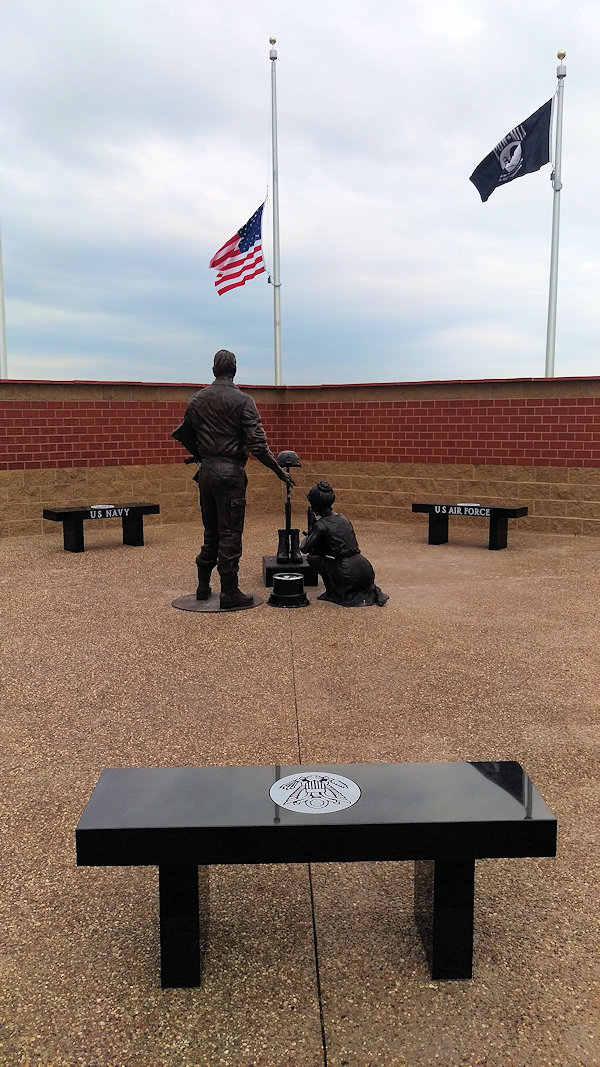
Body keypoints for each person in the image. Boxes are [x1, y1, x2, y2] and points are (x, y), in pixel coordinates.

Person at [182, 350, 295, 610]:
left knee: (210, 532)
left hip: (207, 473)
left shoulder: (196, 400)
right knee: (230, 532)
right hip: (230, 475)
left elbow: (186, 434)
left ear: (213, 370)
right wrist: (279, 471)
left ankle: (203, 586)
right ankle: (229, 592)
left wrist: (203, 455)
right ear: (234, 370)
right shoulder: (244, 401)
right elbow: (258, 445)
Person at [300, 481, 388, 607]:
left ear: (316, 505)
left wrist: (310, 530)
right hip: (365, 568)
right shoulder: (343, 518)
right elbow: (342, 545)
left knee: (313, 558)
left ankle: (332, 592)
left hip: (348, 572)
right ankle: (373, 591)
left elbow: (304, 549)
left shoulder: (321, 525)